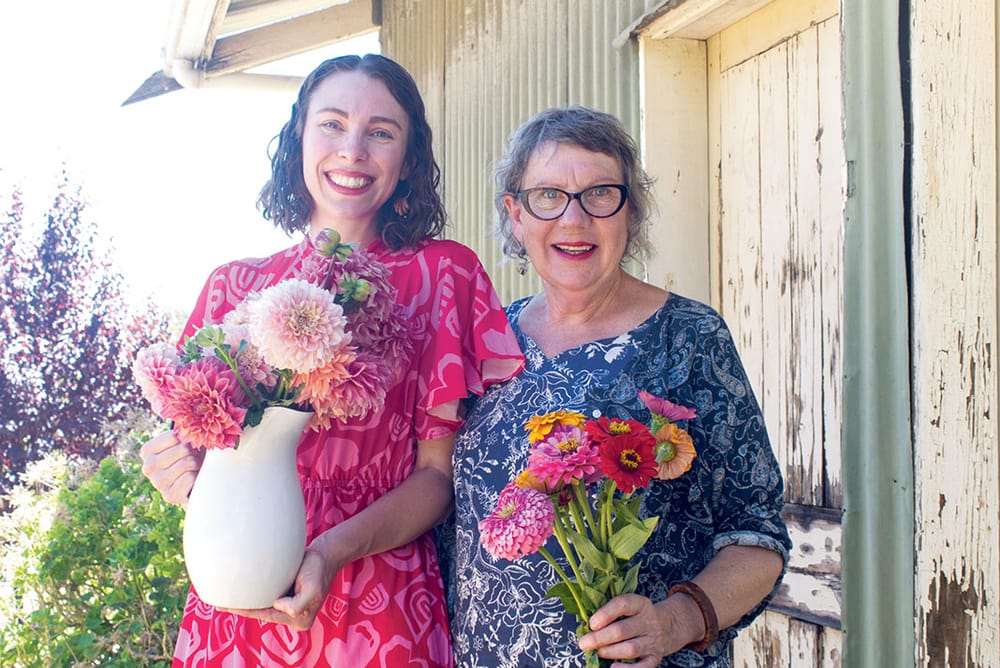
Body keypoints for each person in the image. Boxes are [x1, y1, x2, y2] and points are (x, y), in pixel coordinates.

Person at [139, 54, 524, 667]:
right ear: (298, 140)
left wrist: (328, 551)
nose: (352, 150)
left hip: (377, 596)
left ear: (408, 160)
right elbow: (201, 459)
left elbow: (436, 478)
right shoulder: (230, 287)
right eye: (332, 123)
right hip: (240, 592)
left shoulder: (442, 274)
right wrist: (181, 475)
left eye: (381, 132)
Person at [444, 106, 791, 667]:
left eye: (600, 194)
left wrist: (675, 622)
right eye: (548, 196)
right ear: (515, 216)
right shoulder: (483, 340)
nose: (574, 220)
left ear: (631, 211)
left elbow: (757, 533)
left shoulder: (690, 338)